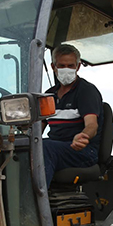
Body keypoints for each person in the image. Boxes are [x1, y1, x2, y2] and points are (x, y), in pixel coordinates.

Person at [42, 44, 103, 187]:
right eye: (61, 66)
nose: (66, 70)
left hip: (82, 151)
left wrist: (83, 136)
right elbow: (37, 129)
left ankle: (33, 203)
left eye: (70, 66)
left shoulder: (86, 91)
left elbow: (92, 125)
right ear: (53, 67)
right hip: (56, 148)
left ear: (78, 66)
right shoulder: (49, 95)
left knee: (45, 148)